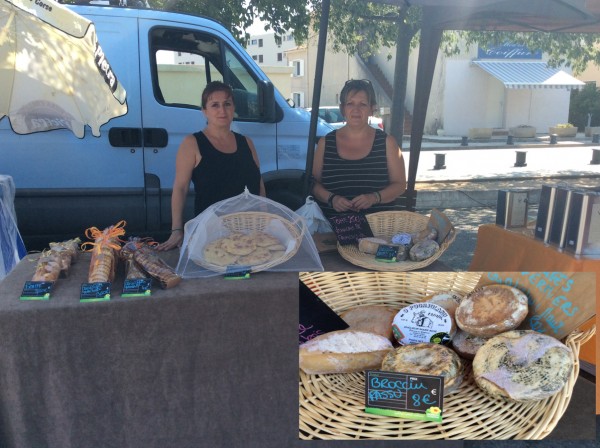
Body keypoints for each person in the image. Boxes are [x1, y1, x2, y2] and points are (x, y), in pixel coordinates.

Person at [158, 81, 265, 250]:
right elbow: (180, 188)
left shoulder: (247, 142)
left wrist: (263, 222)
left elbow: (259, 185)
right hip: (211, 236)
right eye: (215, 105)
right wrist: (177, 230)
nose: (222, 110)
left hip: (248, 234)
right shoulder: (192, 143)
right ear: (204, 111)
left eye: (227, 104)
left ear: (233, 108)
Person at [311, 79, 407, 217]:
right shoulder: (325, 143)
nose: (356, 110)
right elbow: (314, 184)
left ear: (371, 109)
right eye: (350, 103)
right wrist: (332, 199)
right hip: (332, 229)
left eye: (362, 104)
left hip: (378, 232)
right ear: (342, 108)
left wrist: (374, 198)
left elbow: (399, 185)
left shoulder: (387, 143)